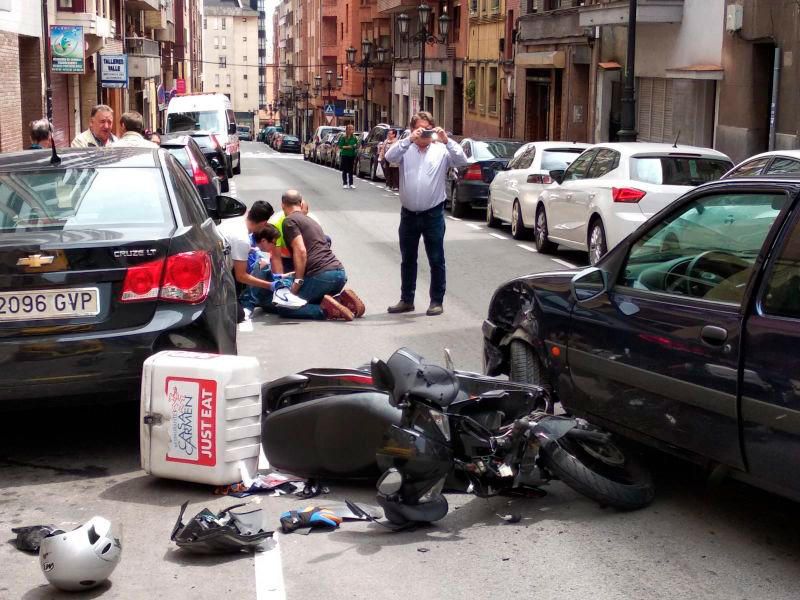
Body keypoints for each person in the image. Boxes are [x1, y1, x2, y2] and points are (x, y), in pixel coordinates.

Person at [384, 111, 468, 316]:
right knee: (408, 258)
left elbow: (462, 160)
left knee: (436, 259)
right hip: (409, 214)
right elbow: (389, 157)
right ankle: (407, 300)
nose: (423, 133)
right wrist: (408, 140)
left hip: (433, 214)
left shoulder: (441, 150)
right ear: (413, 130)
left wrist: (447, 141)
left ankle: (436, 301)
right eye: (419, 129)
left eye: (427, 128)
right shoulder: (406, 149)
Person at [262, 189, 363, 321]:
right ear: (300, 203)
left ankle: (326, 311)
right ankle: (341, 302)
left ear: (282, 204)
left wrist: (298, 281)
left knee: (285, 306)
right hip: (339, 274)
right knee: (306, 298)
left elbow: (301, 251)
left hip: (322, 276)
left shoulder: (289, 221)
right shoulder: (311, 220)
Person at [219, 201, 277, 319]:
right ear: (264, 223)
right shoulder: (242, 239)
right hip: (216, 275)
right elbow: (241, 276)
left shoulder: (235, 221)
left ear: (249, 212)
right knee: (238, 315)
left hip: (216, 263)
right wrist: (270, 285)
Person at [337, 124, 359, 189]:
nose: (352, 130)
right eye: (351, 129)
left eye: (353, 129)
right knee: (345, 169)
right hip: (345, 155)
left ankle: (351, 183)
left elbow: (357, 145)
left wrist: (356, 146)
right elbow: (340, 146)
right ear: (348, 130)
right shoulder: (343, 137)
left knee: (351, 170)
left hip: (352, 155)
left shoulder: (354, 137)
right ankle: (345, 183)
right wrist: (348, 147)